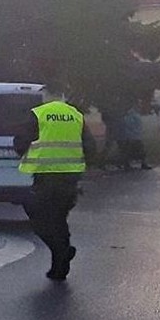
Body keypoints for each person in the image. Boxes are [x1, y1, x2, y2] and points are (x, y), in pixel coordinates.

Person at [14, 96, 96, 281]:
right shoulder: (75, 115)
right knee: (59, 219)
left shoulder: (38, 114)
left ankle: (62, 252)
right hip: (69, 178)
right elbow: (91, 147)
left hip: (45, 177)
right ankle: (59, 267)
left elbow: (20, 143)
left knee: (39, 219)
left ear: (47, 96)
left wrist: (24, 152)